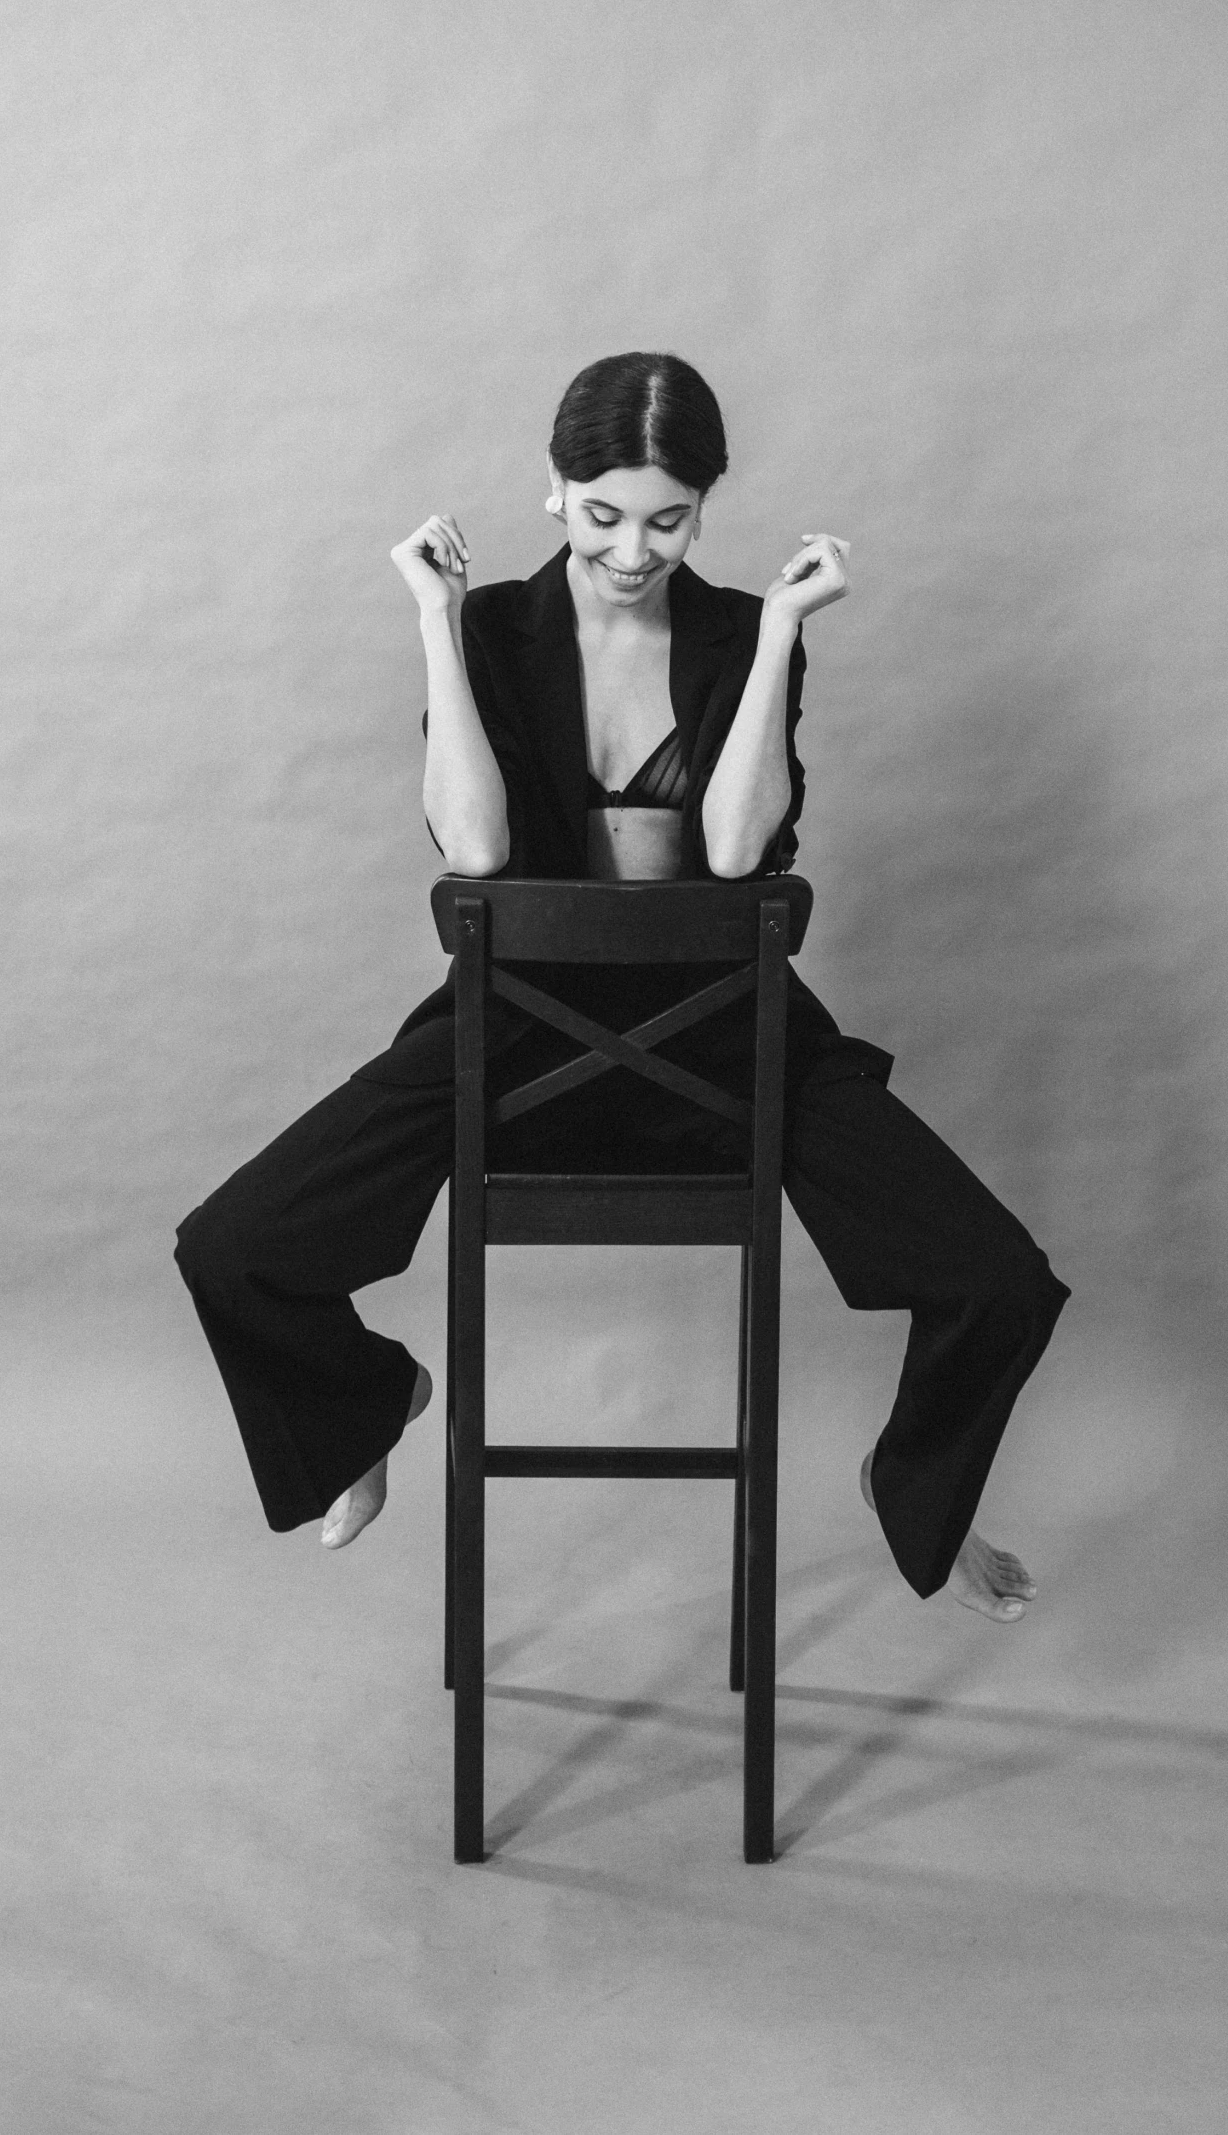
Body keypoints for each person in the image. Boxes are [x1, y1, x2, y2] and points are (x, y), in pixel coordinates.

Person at [174, 353, 1069, 1620]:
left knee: (1001, 1278)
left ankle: (915, 1487)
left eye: (668, 517)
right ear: (555, 493)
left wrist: (775, 636)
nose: (635, 548)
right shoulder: (492, 630)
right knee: (235, 1246)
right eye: (603, 514)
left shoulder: (735, 635)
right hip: (516, 1035)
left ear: (706, 505)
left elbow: (732, 852)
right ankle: (367, 1408)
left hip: (728, 1039)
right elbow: (476, 851)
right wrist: (435, 622)